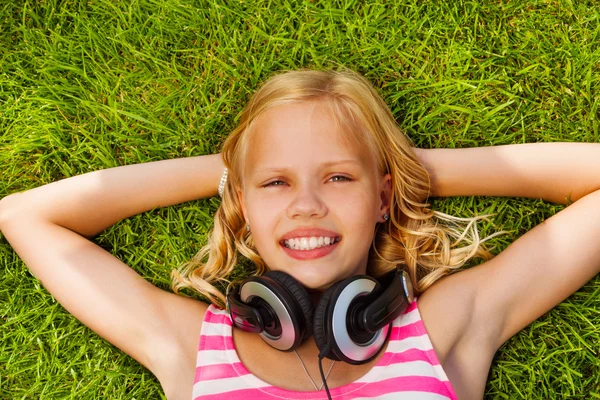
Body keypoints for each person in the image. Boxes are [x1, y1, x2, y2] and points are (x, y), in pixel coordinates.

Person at [0, 69, 598, 400]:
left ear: (382, 198)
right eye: (276, 185)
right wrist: (232, 173)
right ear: (239, 203)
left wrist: (404, 167)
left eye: (338, 178)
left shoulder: (444, 330)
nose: (307, 205)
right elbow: (25, 216)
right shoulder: (193, 349)